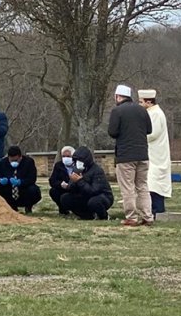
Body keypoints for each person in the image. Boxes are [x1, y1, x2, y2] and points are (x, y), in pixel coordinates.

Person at [108, 84, 153, 226]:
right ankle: (148, 216)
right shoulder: (142, 110)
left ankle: (131, 217)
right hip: (143, 154)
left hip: (125, 155)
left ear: (117, 96)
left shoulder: (117, 111)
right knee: (142, 186)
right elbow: (149, 130)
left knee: (128, 188)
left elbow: (112, 132)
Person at [139, 89, 172, 217]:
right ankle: (151, 210)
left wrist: (138, 136)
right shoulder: (151, 113)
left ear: (149, 102)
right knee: (150, 183)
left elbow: (153, 134)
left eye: (141, 102)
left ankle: (158, 210)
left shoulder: (156, 114)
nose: (140, 104)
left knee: (155, 184)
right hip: (152, 153)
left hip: (157, 155)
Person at [59, 146, 114, 220]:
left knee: (94, 202)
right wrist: (72, 182)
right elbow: (71, 189)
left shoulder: (97, 170)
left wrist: (80, 181)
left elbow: (94, 191)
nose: (78, 162)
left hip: (101, 196)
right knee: (65, 198)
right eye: (76, 160)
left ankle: (104, 216)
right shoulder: (76, 170)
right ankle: (86, 216)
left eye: (80, 160)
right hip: (84, 196)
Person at [0, 145, 42, 214]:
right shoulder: (3, 162)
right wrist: (1, 181)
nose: (13, 162)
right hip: (9, 189)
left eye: (16, 160)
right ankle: (11, 206)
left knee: (33, 190)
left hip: (23, 189)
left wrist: (20, 182)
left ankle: (28, 206)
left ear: (20, 157)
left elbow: (32, 178)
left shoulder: (29, 162)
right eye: (11, 160)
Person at [48, 145, 76, 214]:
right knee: (53, 191)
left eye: (68, 156)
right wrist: (60, 184)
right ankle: (63, 209)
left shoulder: (78, 165)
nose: (66, 158)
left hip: (75, 189)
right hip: (62, 189)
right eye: (63, 156)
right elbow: (52, 180)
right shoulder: (58, 165)